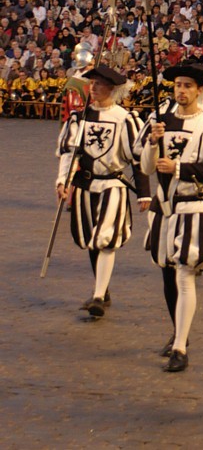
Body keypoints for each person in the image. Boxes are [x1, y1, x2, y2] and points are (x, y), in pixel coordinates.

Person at [134, 63, 203, 372]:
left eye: (188, 85)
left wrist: (178, 169)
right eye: (178, 85)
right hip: (165, 208)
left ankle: (180, 347)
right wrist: (152, 141)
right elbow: (147, 168)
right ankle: (178, 330)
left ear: (199, 90)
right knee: (167, 273)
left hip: (195, 207)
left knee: (185, 273)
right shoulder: (160, 120)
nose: (182, 90)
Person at [55, 65, 150, 318]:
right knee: (91, 240)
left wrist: (144, 192)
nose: (93, 88)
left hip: (113, 186)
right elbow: (69, 153)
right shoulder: (80, 117)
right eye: (92, 84)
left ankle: (98, 297)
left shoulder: (125, 118)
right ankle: (103, 289)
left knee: (105, 238)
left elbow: (138, 158)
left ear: (111, 88)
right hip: (85, 185)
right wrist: (62, 181)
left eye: (98, 84)